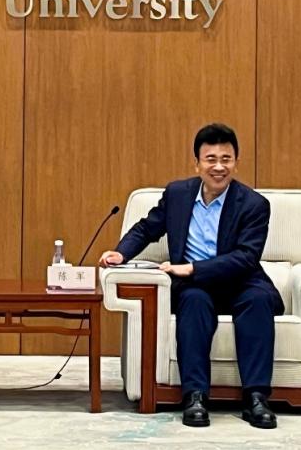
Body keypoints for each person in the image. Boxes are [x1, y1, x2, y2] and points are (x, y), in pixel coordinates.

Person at [99, 123, 283, 430]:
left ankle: (256, 398)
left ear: (236, 163)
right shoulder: (178, 194)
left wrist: (192, 268)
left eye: (226, 159)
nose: (219, 167)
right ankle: (195, 397)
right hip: (196, 286)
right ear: (197, 163)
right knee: (193, 302)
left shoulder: (254, 204)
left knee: (258, 300)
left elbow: (246, 257)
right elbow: (147, 228)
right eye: (211, 159)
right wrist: (121, 253)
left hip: (240, 280)